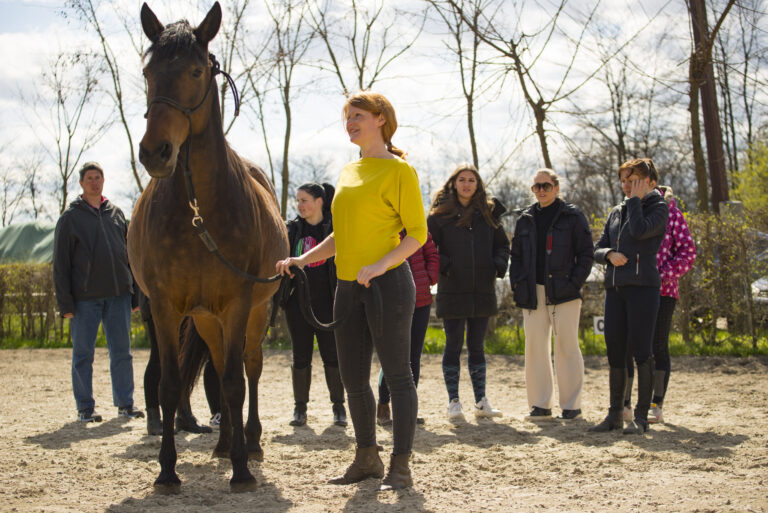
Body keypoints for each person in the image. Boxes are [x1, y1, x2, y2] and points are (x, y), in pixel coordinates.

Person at [276, 91, 426, 491]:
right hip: (347, 286)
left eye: (358, 115)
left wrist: (380, 265)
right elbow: (340, 236)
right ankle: (366, 458)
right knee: (352, 378)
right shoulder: (348, 172)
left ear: (381, 119)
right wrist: (300, 261)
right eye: (347, 117)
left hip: (389, 285)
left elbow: (417, 234)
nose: (351, 122)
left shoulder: (399, 171)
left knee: (398, 376)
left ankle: (401, 464)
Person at [53, 162, 144, 423]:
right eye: (90, 178)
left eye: (98, 177)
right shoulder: (70, 218)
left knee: (122, 352)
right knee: (83, 353)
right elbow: (60, 264)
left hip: (118, 295)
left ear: (103, 181)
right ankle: (85, 407)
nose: (95, 182)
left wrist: (135, 294)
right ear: (81, 183)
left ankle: (125, 404)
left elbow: (131, 256)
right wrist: (65, 303)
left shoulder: (116, 214)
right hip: (85, 299)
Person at [590, 158, 668, 435]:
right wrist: (608, 254)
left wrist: (635, 200)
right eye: (624, 180)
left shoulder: (660, 208)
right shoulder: (615, 211)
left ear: (650, 182)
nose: (627, 186)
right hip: (615, 290)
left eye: (633, 180)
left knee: (642, 353)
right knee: (615, 354)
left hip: (643, 289)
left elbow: (639, 230)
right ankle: (614, 415)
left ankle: (641, 417)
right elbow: (596, 249)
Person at [427, 162, 510, 421]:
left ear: (477, 185)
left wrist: (497, 266)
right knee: (453, 345)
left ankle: (481, 401)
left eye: (471, 180)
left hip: (483, 290)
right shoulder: (439, 216)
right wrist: (448, 267)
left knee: (477, 346)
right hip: (452, 289)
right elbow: (429, 249)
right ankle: (453, 401)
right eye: (462, 179)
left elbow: (503, 246)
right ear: (454, 183)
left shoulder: (489, 214)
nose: (466, 184)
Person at [508, 169, 593, 420]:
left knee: (567, 346)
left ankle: (571, 406)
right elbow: (517, 258)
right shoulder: (524, 219)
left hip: (565, 292)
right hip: (532, 293)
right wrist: (518, 285)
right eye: (537, 187)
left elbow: (586, 254)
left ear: (557, 188)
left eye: (546, 185)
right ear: (532, 190)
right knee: (535, 348)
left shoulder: (573, 216)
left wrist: (573, 283)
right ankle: (541, 405)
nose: (541, 190)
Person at [623, 185, 696, 424]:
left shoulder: (673, 215)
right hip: (631, 289)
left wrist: (662, 274)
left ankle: (656, 404)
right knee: (629, 345)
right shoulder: (629, 210)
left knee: (658, 345)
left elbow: (688, 252)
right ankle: (625, 403)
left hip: (663, 291)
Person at [278, 182, 346, 428]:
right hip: (297, 303)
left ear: (320, 201)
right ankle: (300, 409)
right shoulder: (292, 230)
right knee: (300, 356)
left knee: (332, 356)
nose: (300, 205)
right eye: (298, 200)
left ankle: (339, 407)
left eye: (305, 200)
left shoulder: (333, 229)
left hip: (328, 303)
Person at [376, 230, 439, 426]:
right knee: (392, 355)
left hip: (421, 300)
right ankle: (383, 404)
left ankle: (407, 408)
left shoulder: (419, 229)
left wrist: (429, 277)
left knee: (413, 357)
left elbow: (432, 255)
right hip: (392, 300)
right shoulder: (384, 228)